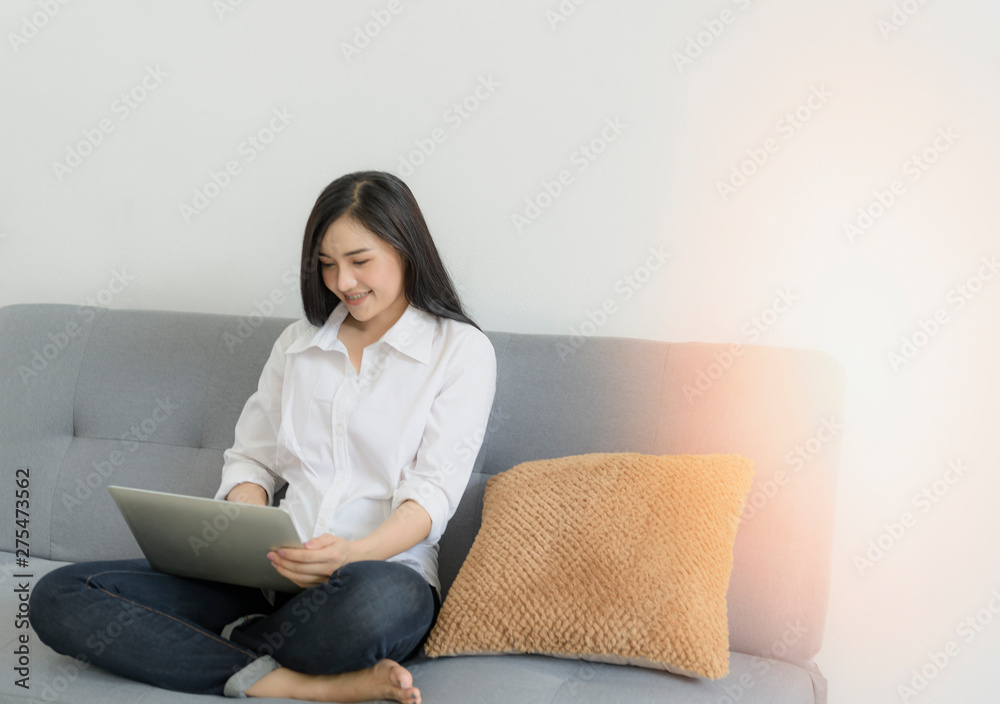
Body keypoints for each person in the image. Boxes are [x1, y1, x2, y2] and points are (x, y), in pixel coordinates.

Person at [29, 171, 498, 703]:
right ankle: (301, 683)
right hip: (264, 581)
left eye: (359, 261)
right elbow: (251, 461)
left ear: (405, 246)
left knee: (375, 607)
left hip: (376, 578)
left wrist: (352, 553)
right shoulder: (298, 345)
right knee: (59, 594)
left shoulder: (459, 351)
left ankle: (213, 650)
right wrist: (247, 530)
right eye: (327, 264)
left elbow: (433, 493)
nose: (342, 282)